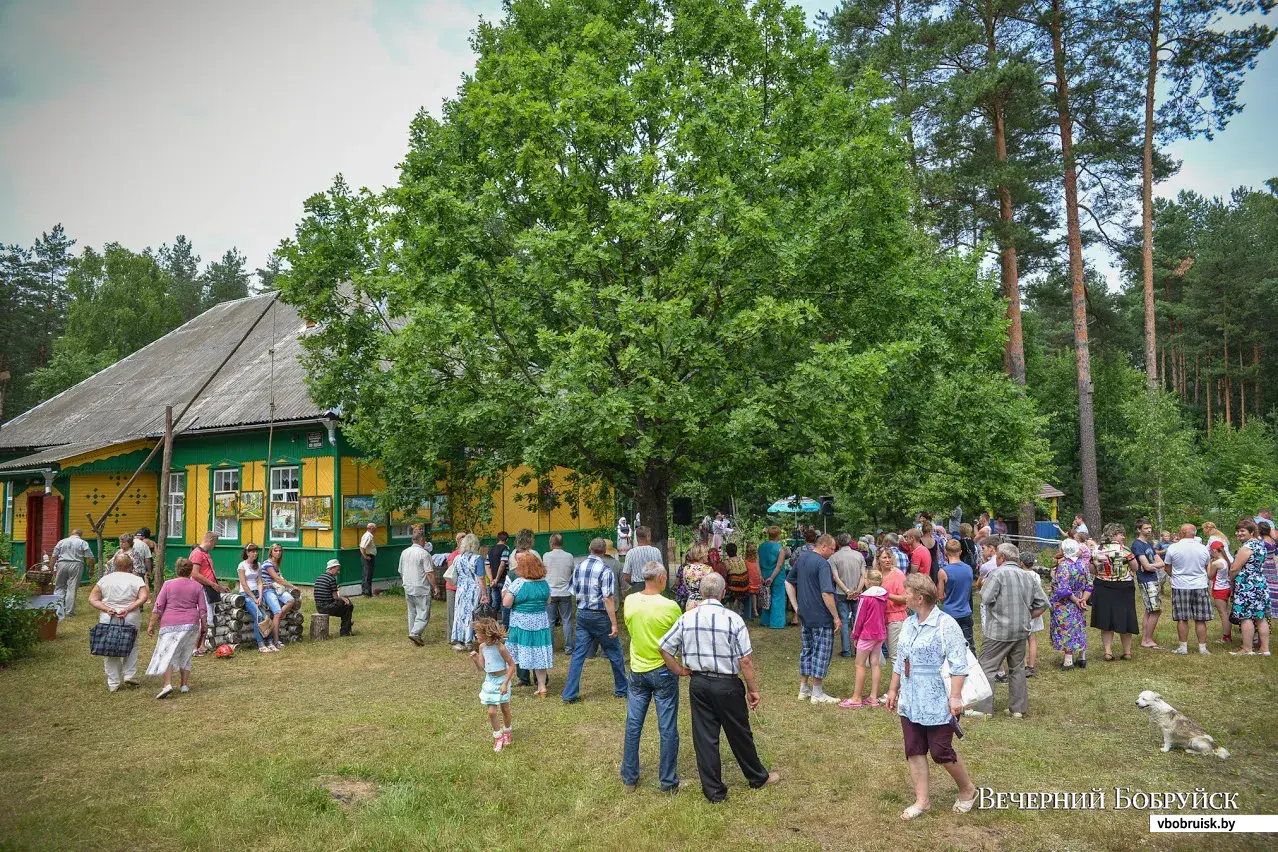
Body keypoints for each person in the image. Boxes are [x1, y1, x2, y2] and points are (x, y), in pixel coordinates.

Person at [658, 574, 777, 803]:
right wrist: (754, 690)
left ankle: (714, 792)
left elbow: (664, 647)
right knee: (740, 733)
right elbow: (745, 660)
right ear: (723, 593)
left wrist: (680, 670)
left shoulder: (687, 618)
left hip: (699, 683)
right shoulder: (733, 619)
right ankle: (757, 777)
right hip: (727, 683)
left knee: (705, 737)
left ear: (702, 593)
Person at [885, 574, 978, 821]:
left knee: (940, 751)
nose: (903, 596)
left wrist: (955, 697)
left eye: (907, 593)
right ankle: (922, 801)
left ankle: (967, 789)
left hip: (938, 699)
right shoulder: (908, 623)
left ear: (920, 598)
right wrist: (893, 690)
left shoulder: (946, 624)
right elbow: (900, 660)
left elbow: (959, 665)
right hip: (911, 698)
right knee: (914, 749)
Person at [620, 560, 684, 793]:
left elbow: (630, 627)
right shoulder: (670, 607)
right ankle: (667, 780)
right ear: (662, 578)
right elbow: (677, 639)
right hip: (663, 671)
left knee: (633, 724)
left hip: (638, 670)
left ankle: (629, 778)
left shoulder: (630, 601)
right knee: (667, 727)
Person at [972, 543, 1048, 719]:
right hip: (1021, 630)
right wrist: (1027, 616)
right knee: (1017, 668)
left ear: (1002, 558)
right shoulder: (1027, 576)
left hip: (998, 631)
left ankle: (983, 709)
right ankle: (1018, 710)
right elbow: (1043, 603)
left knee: (986, 667)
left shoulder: (997, 574)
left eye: (996, 556)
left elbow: (985, 597)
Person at [561, 538, 628, 703]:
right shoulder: (606, 570)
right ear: (605, 551)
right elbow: (608, 598)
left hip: (583, 614)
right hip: (600, 616)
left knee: (578, 655)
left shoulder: (579, 567)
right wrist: (614, 623)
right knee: (615, 652)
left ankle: (569, 693)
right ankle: (622, 689)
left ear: (590, 548)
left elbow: (572, 590)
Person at [786, 533, 842, 704]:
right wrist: (836, 617)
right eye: (832, 549)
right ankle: (817, 692)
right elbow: (826, 593)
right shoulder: (823, 564)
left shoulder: (802, 558)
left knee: (807, 650)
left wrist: (796, 607)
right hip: (821, 616)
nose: (833, 553)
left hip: (805, 615)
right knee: (822, 652)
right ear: (823, 546)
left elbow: (788, 582)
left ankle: (804, 689)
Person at [145, 557, 208, 698]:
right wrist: (204, 626)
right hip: (191, 624)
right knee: (186, 653)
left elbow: (159, 606)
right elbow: (202, 609)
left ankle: (167, 684)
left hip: (170, 624)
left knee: (168, 653)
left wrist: (151, 624)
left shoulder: (168, 584)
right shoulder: (197, 586)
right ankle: (184, 685)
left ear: (176, 569)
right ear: (191, 571)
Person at [89, 551, 149, 692]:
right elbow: (144, 597)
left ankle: (113, 682)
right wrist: (129, 608)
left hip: (108, 616)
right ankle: (130, 674)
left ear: (115, 565)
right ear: (130, 565)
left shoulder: (106, 579)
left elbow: (92, 598)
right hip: (130, 616)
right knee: (132, 644)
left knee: (109, 646)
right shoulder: (136, 580)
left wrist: (106, 608)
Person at [503, 551, 554, 695]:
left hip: (521, 624)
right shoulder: (544, 583)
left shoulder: (518, 583)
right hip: (540, 623)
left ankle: (505, 684)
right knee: (539, 655)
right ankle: (542, 686)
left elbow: (506, 603)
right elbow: (548, 601)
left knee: (512, 654)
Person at [1090, 524, 1140, 661]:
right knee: (1126, 618)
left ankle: (1108, 651)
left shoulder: (1097, 550)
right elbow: (1135, 567)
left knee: (1106, 618)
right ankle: (1127, 652)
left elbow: (1093, 570)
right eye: (1120, 534)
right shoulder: (1125, 550)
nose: (1123, 536)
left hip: (1103, 586)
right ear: (1112, 535)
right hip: (1124, 587)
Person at [840, 569, 887, 709]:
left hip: (867, 634)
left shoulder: (865, 598)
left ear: (869, 582)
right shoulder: (884, 595)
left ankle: (856, 697)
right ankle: (873, 697)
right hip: (880, 633)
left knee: (859, 664)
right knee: (875, 664)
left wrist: (855, 635)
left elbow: (859, 618)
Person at [1162, 523, 1211, 655]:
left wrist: (1175, 576)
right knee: (1201, 618)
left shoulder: (1173, 548)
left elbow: (1167, 567)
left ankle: (1183, 648)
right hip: (1200, 585)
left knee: (1182, 618)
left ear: (1183, 532)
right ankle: (1202, 648)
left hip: (1180, 585)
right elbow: (1207, 567)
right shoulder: (1203, 548)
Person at [468, 616, 516, 752]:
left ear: (487, 633)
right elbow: (481, 667)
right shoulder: (482, 647)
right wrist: (475, 659)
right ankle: (498, 736)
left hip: (502, 680)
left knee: (505, 709)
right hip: (490, 681)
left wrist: (505, 683)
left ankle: (507, 731)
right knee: (491, 712)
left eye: (478, 632)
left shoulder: (500, 648)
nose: (476, 635)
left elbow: (512, 665)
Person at [1228, 519, 1271, 656]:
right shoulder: (1261, 545)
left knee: (1245, 617)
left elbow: (1235, 568)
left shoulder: (1247, 547)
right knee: (1260, 617)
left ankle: (1247, 649)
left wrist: (1231, 579)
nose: (1238, 533)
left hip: (1247, 584)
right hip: (1260, 582)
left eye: (1242, 531)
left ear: (1251, 532)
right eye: (1238, 530)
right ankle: (1264, 649)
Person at [1049, 539, 1091, 670]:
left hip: (1066, 603)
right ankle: (1082, 657)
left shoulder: (1064, 565)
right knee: (1079, 627)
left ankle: (1068, 661)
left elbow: (1064, 589)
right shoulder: (1083, 564)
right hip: (1079, 598)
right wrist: (1083, 599)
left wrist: (1076, 600)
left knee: (1066, 628)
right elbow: (1089, 585)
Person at [829, 533, 866, 658]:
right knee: (858, 620)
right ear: (850, 542)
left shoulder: (834, 557)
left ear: (838, 543)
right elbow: (863, 575)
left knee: (844, 621)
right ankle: (858, 648)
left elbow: (835, 577)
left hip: (841, 593)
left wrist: (846, 590)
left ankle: (846, 650)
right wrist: (857, 590)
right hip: (857, 591)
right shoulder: (859, 555)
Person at [1131, 519, 1165, 650]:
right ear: (1139, 529)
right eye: (1146, 528)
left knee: (1149, 610)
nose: (1149, 530)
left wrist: (1152, 566)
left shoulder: (1149, 544)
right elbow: (1145, 565)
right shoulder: (1137, 544)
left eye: (1150, 528)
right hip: (1146, 580)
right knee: (1156, 610)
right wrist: (1150, 566)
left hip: (1153, 578)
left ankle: (1146, 638)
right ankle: (1147, 640)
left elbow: (1161, 563)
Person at [450, 533, 487, 651]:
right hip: (473, 589)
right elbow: (480, 577)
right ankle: (468, 640)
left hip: (460, 589)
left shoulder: (457, 558)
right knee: (471, 615)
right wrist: (484, 593)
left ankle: (457, 639)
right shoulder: (477, 559)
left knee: (459, 614)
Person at [188, 532, 225, 653]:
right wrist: (212, 584)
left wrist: (219, 586)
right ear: (210, 540)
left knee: (207, 619)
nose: (215, 546)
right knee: (203, 618)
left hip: (209, 588)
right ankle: (194, 647)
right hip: (200, 589)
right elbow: (194, 573)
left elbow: (209, 572)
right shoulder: (197, 554)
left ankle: (202, 646)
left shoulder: (206, 554)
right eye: (215, 543)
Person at [236, 543, 276, 652]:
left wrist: (260, 595)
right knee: (258, 616)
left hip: (257, 594)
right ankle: (261, 644)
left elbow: (259, 582)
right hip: (246, 594)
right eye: (252, 551)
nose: (255, 553)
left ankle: (270, 642)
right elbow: (243, 584)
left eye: (256, 551)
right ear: (247, 553)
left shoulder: (258, 565)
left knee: (265, 616)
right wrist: (254, 597)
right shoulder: (242, 565)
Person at [399, 531, 436, 646]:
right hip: (421, 586)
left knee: (412, 611)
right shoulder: (424, 554)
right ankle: (415, 633)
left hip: (408, 585)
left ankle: (413, 633)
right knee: (423, 612)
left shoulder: (404, 552)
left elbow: (401, 571)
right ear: (422, 541)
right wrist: (435, 586)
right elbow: (429, 573)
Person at [543, 533, 576, 656]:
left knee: (550, 621)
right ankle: (568, 648)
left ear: (551, 543)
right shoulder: (569, 556)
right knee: (566, 620)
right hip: (565, 591)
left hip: (551, 592)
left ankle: (550, 647)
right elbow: (572, 571)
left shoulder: (546, 556)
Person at [938, 539, 974, 651]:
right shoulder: (968, 569)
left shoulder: (943, 572)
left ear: (946, 552)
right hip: (966, 611)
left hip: (950, 612)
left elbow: (940, 596)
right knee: (969, 644)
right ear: (960, 552)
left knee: (950, 646)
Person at [51, 528, 95, 619]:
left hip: (62, 563)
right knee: (72, 587)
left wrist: (51, 567)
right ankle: (69, 612)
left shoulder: (62, 542)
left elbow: (54, 556)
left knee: (59, 586)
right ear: (80, 535)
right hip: (76, 564)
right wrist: (91, 570)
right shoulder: (83, 543)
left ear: (71, 534)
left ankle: (56, 609)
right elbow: (90, 558)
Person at [261, 543, 300, 645]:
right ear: (271, 552)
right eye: (275, 551)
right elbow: (277, 579)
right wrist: (292, 586)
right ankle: (276, 640)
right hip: (268, 590)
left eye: (280, 551)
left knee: (291, 600)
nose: (278, 553)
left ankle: (277, 618)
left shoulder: (276, 564)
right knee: (277, 612)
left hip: (277, 589)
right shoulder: (267, 564)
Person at [1017, 551, 1047, 678]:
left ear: (1021, 563)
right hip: (1035, 608)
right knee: (1032, 638)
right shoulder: (1036, 576)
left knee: (1021, 639)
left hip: (1023, 609)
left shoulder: (1019, 575)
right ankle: (1031, 666)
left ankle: (1023, 665)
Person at [878, 547, 908, 661]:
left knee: (896, 656)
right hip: (882, 617)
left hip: (896, 618)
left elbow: (905, 598)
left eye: (889, 557)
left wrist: (886, 595)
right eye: (884, 557)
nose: (887, 560)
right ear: (878, 559)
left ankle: (900, 678)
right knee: (893, 654)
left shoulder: (898, 574)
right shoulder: (877, 575)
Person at [758, 526, 789, 629]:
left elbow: (757, 563)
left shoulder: (761, 546)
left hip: (764, 574)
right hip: (776, 576)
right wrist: (772, 577)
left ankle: (765, 620)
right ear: (777, 535)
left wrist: (760, 575)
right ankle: (777, 623)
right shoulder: (780, 548)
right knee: (777, 598)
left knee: (766, 597)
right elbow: (779, 566)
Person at [314, 559, 354, 636]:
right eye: (337, 570)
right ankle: (345, 631)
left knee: (345, 609)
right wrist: (343, 598)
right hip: (327, 607)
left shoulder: (319, 577)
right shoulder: (331, 579)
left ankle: (347, 625)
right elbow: (335, 597)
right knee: (348, 606)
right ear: (331, 568)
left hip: (319, 606)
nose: (338, 572)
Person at [624, 526, 663, 596]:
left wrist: (633, 583)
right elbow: (661, 571)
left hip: (637, 587)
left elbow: (626, 576)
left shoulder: (631, 553)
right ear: (648, 536)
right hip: (653, 586)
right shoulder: (656, 551)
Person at [676, 543, 715, 611]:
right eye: (706, 552)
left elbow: (686, 585)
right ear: (701, 554)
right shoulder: (708, 569)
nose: (707, 555)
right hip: (704, 603)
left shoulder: (686, 568)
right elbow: (712, 588)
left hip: (690, 602)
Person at [1208, 540, 1232, 643]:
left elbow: (1209, 575)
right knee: (1225, 612)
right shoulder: (1226, 561)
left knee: (1223, 613)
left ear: (1214, 550)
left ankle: (1226, 636)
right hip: (1226, 587)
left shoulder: (1217, 563)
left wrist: (1209, 563)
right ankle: (1228, 635)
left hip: (1219, 588)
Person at [722, 542, 751, 614]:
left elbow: (725, 575)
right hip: (745, 586)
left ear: (727, 552)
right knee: (738, 580)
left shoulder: (727, 562)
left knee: (728, 582)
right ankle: (739, 608)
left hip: (733, 588)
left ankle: (732, 608)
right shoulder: (742, 560)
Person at [487, 530, 510, 614]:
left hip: (493, 581)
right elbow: (503, 564)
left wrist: (491, 579)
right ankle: (504, 625)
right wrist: (497, 579)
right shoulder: (506, 548)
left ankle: (492, 623)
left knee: (495, 604)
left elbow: (487, 565)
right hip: (503, 580)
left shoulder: (490, 550)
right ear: (506, 540)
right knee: (504, 604)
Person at [359, 522, 378, 597]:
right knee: (367, 575)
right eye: (375, 528)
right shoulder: (368, 536)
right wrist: (365, 556)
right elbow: (362, 547)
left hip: (368, 556)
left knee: (366, 574)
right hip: (368, 557)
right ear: (371, 528)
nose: (376, 529)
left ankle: (366, 592)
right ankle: (367, 593)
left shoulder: (368, 535)